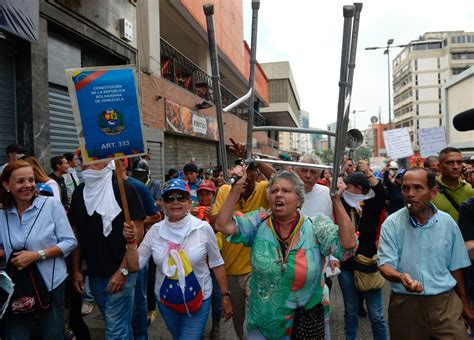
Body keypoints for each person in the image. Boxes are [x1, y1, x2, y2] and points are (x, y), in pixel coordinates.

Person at [215, 169, 357, 338]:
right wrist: (235, 189)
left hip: (307, 324)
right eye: (274, 191)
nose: (278, 195)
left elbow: (348, 245)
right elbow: (223, 225)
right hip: (264, 326)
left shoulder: (316, 227)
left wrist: (336, 200)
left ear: (299, 200)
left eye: (286, 190)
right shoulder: (258, 222)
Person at [378, 167, 474, 339]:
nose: (410, 194)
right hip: (406, 306)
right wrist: (401, 278)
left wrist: (465, 305)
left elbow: (456, 266)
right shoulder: (391, 224)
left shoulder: (447, 223)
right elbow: (385, 265)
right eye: (405, 188)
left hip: (445, 303)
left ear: (433, 192)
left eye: (418, 188)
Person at [135, 179, 232, 339]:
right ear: (163, 204)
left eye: (181, 197)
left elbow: (217, 263)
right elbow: (136, 263)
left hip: (199, 298)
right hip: (166, 300)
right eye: (169, 198)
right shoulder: (154, 231)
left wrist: (225, 296)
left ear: (189, 202)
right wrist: (131, 243)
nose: (175, 202)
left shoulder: (203, 228)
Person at [0, 160, 77, 339]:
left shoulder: (50, 205)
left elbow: (70, 241)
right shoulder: (3, 213)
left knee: (52, 335)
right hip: (16, 286)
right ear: (6, 185)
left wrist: (37, 255)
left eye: (31, 180)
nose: (27, 185)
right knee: (16, 335)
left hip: (51, 283)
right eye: (20, 181)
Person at [69, 160, 146, 340]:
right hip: (95, 274)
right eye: (83, 161)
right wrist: (76, 270)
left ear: (107, 163)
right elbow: (76, 236)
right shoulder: (80, 192)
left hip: (122, 272)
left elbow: (138, 234)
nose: (86, 166)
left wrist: (123, 271)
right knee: (117, 323)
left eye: (93, 161)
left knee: (115, 330)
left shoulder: (125, 190)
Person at [211, 161, 269, 340]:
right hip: (231, 270)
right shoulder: (225, 190)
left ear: (256, 173)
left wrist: (258, 160)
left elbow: (283, 180)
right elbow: (215, 223)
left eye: (250, 170)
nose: (246, 175)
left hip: (256, 268)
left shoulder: (263, 188)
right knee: (238, 319)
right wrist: (234, 193)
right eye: (242, 171)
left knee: (260, 317)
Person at [339, 162, 388, 340]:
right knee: (350, 311)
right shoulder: (341, 202)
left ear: (358, 188)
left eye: (348, 186)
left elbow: (381, 192)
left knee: (376, 314)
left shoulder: (372, 204)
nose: (344, 189)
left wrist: (367, 172)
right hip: (346, 266)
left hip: (368, 264)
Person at [191, 180, 222, 338]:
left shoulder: (218, 210)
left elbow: (222, 233)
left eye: (207, 194)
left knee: (216, 294)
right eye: (201, 194)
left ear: (213, 195)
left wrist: (213, 219)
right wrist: (190, 216)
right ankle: (198, 326)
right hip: (197, 262)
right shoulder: (192, 211)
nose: (204, 197)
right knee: (198, 294)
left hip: (213, 261)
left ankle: (216, 323)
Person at [432, 147, 474, 222]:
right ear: (439, 166)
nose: (455, 167)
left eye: (459, 162)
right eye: (449, 162)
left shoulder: (471, 188)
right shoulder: (430, 189)